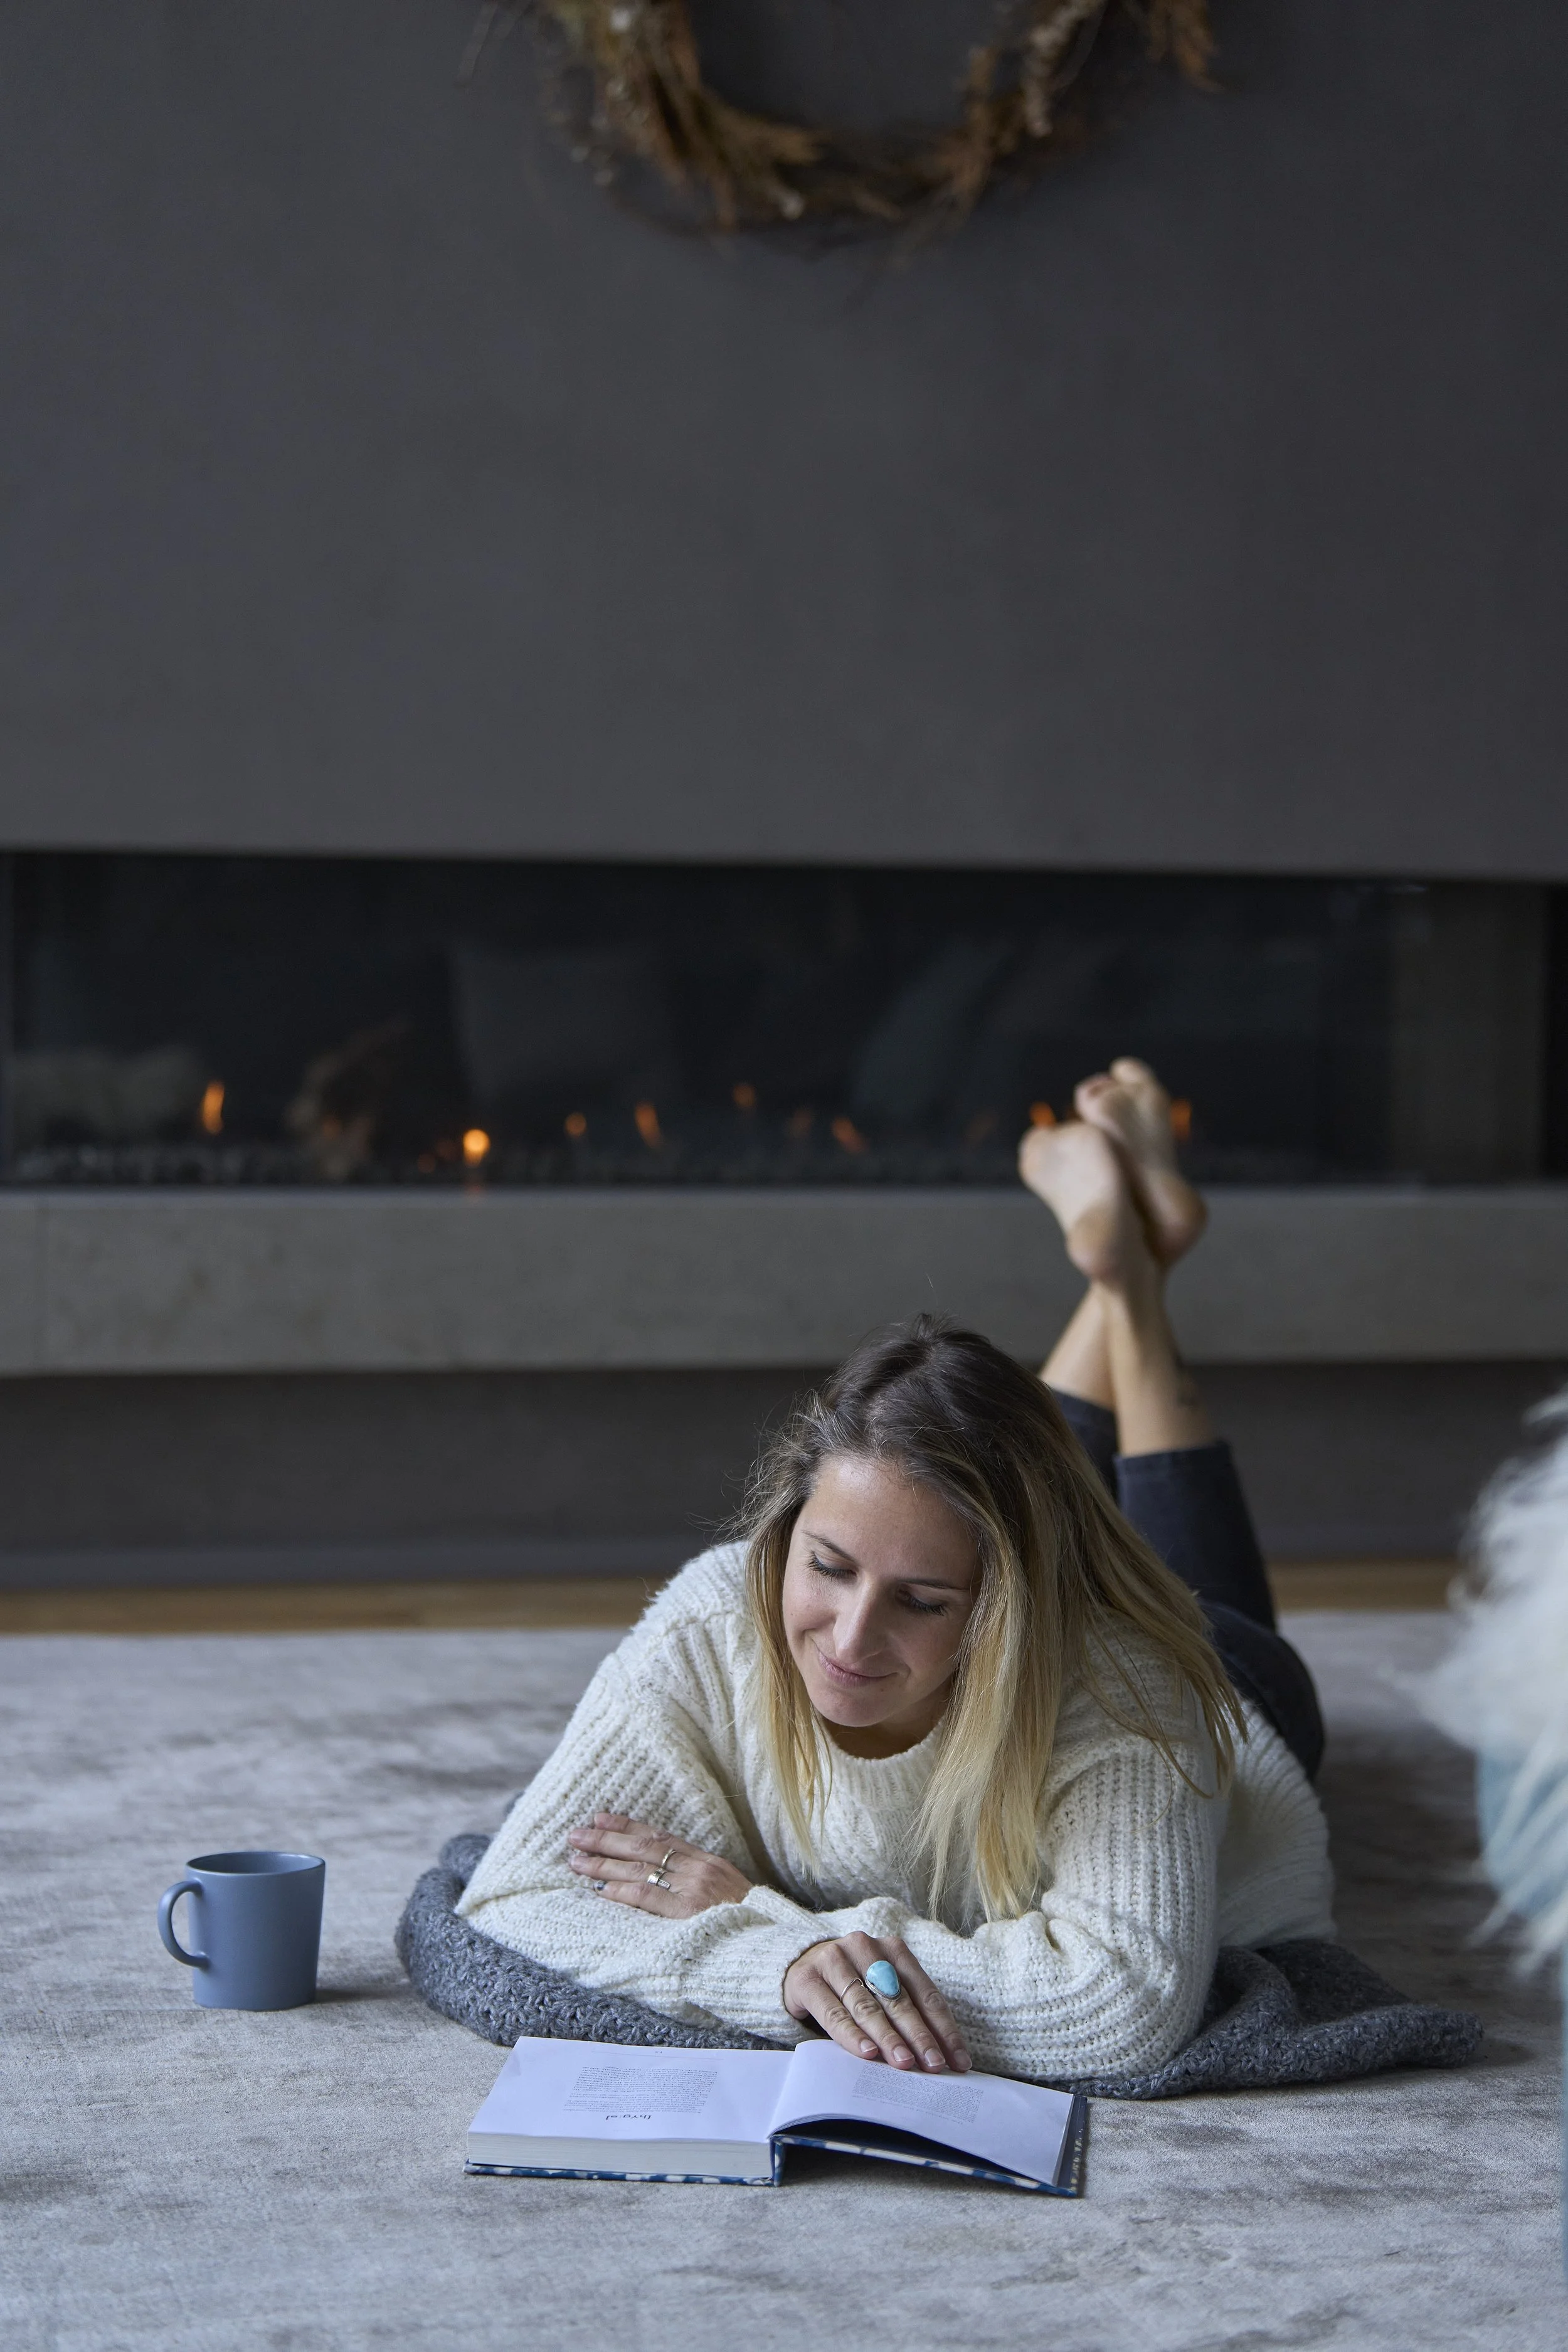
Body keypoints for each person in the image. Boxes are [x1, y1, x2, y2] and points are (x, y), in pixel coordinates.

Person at [458, 1060, 1334, 2085]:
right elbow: (512, 1898)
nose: (851, 1635)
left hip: (1229, 1676)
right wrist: (781, 1963)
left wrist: (764, 1914)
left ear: (1008, 1604)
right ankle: (1126, 1252)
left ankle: (1135, 1278)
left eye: (922, 1601)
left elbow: (1121, 2008)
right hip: (1021, 1575)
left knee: (1185, 1584)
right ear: (789, 1526)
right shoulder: (714, 1612)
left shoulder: (1128, 1687)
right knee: (983, 1477)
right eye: (827, 1566)